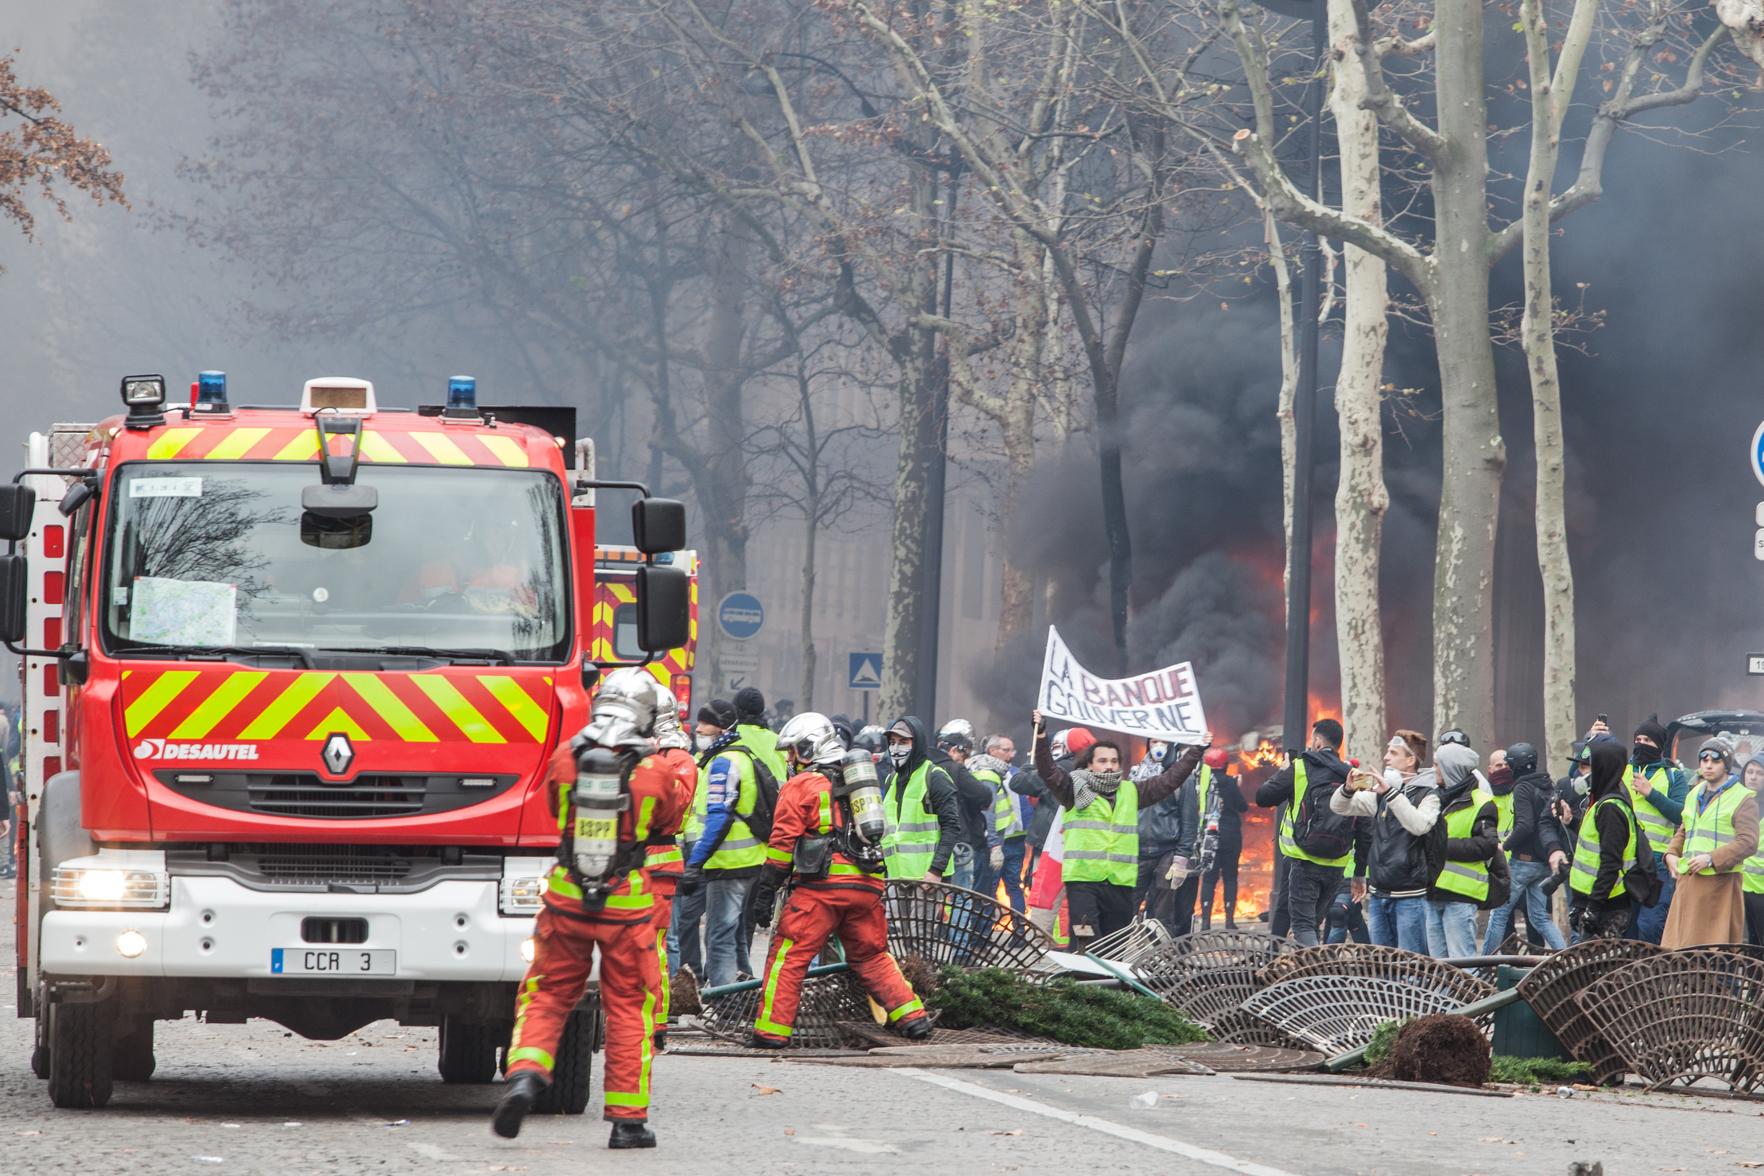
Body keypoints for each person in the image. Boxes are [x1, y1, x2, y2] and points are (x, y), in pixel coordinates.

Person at [494, 668, 690, 1147]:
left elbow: (554, 811)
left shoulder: (565, 758)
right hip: (628, 902)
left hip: (565, 896)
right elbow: (668, 818)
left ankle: (525, 1073)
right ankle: (627, 1122)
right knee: (628, 1006)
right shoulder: (655, 770)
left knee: (546, 992)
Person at [748, 713, 932, 1047]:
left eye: (794, 751)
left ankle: (771, 1033)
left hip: (822, 889)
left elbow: (782, 845)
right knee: (872, 955)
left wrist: (765, 892)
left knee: (788, 957)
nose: (791, 759)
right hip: (866, 885)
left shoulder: (802, 785)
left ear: (810, 747)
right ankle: (913, 1017)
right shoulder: (859, 782)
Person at [1030, 708, 1208, 951]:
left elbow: (1170, 781)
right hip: (1084, 882)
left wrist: (1196, 751)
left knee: (1115, 946)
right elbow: (1048, 771)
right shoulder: (1073, 789)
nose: (1109, 766)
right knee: (1085, 940)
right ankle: (1082, 983)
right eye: (1102, 761)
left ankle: (1109, 988)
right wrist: (1040, 736)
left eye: (1114, 761)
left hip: (1120, 883)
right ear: (1090, 765)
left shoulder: (1131, 792)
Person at [678, 699, 767, 988]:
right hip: (748, 859)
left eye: (705, 723)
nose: (699, 729)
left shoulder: (724, 762)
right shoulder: (740, 754)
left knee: (718, 935)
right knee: (734, 932)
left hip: (727, 862)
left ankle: (722, 996)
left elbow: (718, 819)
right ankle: (740, 991)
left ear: (722, 727)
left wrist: (695, 862)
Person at [1256, 718, 1362, 947]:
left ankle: (1315, 974)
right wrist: (1360, 873)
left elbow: (1263, 797)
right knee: (1313, 923)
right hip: (1336, 864)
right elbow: (1364, 827)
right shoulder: (1352, 775)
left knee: (1303, 926)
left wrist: (1283, 772)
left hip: (1303, 859)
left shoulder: (1301, 767)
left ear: (1316, 741)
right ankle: (1289, 963)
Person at [1331, 730, 1437, 953]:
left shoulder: (1429, 795)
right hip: (1379, 895)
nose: (1386, 757)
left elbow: (1418, 825)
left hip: (1411, 897)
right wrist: (1347, 789)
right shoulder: (1381, 795)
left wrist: (1390, 793)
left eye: (1393, 752)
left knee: (1412, 965)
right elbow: (1339, 807)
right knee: (1381, 966)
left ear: (1410, 761)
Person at [1661, 738, 1758, 949]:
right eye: (1703, 759)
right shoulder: (1694, 792)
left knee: (1714, 955)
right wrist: (1670, 854)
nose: (1708, 764)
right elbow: (1685, 829)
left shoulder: (1743, 798)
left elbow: (1748, 842)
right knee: (1680, 952)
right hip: (1688, 883)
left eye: (1715, 760)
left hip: (1720, 887)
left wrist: (1711, 859)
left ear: (1726, 764)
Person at [645, 680, 699, 1050]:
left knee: (653, 948)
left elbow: (667, 808)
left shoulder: (677, 759)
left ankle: (655, 1023)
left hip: (657, 862)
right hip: (622, 863)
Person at [1482, 742, 1568, 953]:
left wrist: (1504, 844)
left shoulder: (1522, 787)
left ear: (1514, 766)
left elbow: (1525, 825)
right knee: (1539, 917)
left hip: (1523, 862)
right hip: (1543, 862)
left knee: (1499, 914)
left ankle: (1481, 966)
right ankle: (1566, 958)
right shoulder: (1548, 784)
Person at [1424, 742, 1501, 959]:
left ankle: (1472, 996)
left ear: (1451, 767)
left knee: (1463, 965)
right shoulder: (1433, 799)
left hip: (1460, 896)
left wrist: (1441, 846)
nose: (1434, 770)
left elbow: (1486, 845)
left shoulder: (1482, 802)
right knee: (1437, 967)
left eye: (1438, 765)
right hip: (1432, 892)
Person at [1568, 739, 1646, 941]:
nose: (1582, 775)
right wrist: (1570, 822)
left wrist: (1593, 907)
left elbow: (1610, 862)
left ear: (1603, 768)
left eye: (1588, 768)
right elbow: (1595, 843)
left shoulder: (1610, 808)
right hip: (1595, 902)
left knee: (1598, 971)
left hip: (1607, 908)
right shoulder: (1601, 802)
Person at [1625, 716, 1691, 944]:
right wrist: (1596, 737)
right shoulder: (1623, 770)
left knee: (1651, 925)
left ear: (1659, 746)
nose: (1641, 744)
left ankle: (1653, 974)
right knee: (1627, 926)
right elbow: (1584, 771)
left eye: (1647, 740)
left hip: (1657, 862)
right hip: (1625, 860)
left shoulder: (1674, 776)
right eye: (1638, 739)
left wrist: (1650, 793)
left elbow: (1681, 814)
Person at [880, 716, 965, 882]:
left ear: (916, 743)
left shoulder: (935, 777)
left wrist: (936, 870)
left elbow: (951, 827)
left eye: (903, 742)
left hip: (927, 880)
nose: (896, 748)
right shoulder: (891, 780)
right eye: (892, 742)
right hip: (895, 878)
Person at [1133, 740, 1200, 937]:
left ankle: (1159, 960)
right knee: (1126, 908)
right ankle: (1120, 959)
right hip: (1136, 851)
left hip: (1167, 853)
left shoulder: (1183, 779)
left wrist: (1181, 858)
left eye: (1163, 741)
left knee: (1162, 915)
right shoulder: (1134, 775)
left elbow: (1189, 821)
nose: (1158, 745)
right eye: (1153, 741)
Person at [933, 720, 1000, 892]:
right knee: (961, 897)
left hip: (931, 842)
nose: (965, 761)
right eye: (965, 756)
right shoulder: (956, 770)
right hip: (959, 842)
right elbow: (984, 795)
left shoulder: (926, 767)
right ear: (954, 751)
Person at [971, 734, 1028, 912]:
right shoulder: (989, 774)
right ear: (992, 751)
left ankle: (1016, 933)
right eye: (1006, 750)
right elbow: (988, 811)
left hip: (1012, 839)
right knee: (990, 888)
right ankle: (984, 933)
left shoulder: (1010, 773)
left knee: (1004, 887)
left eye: (1013, 750)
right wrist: (994, 844)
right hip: (995, 841)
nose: (1011, 755)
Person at [1198, 748, 1248, 929]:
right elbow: (1243, 807)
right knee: (1230, 878)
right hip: (1230, 836)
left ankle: (1205, 923)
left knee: (1209, 879)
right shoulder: (1230, 783)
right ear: (1225, 765)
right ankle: (1229, 921)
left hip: (1210, 835)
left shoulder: (1202, 785)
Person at [1743, 754, 1764, 946]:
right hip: (1738, 884)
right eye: (1749, 772)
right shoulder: (1736, 802)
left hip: (1761, 889)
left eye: (1759, 773)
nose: (1753, 777)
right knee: (1744, 945)